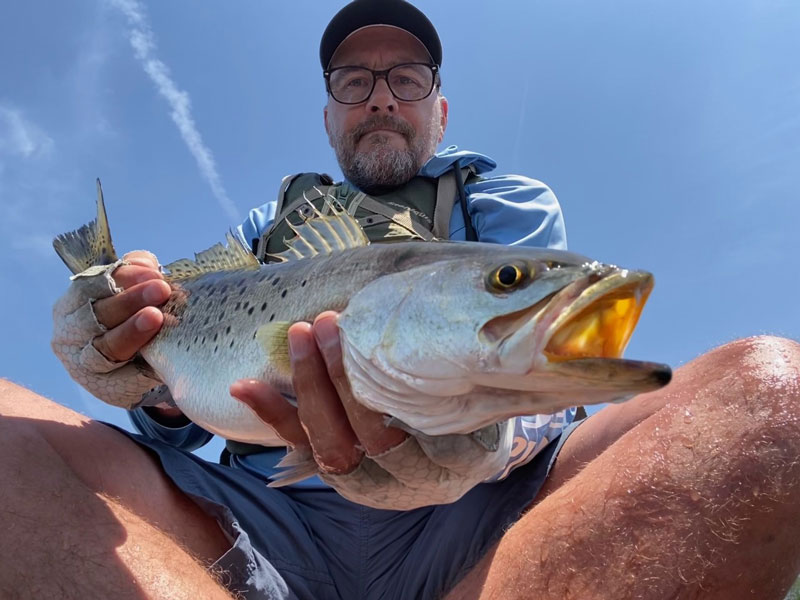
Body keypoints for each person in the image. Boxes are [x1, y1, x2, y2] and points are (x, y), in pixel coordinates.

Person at [2, 1, 799, 598]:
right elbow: (171, 426)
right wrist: (128, 355)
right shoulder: (259, 228)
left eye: (406, 79)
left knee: (774, 395)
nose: (381, 97)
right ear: (329, 117)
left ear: (438, 111)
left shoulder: (511, 204)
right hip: (255, 512)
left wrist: (485, 445)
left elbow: (545, 390)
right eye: (355, 82)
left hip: (485, 518)